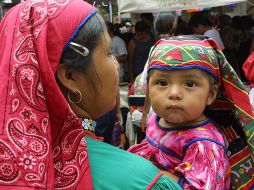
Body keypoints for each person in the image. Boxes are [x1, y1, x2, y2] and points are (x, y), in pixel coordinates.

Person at [0, 0, 183, 189]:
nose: (116, 64)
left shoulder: (14, 160)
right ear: (70, 77)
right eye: (108, 52)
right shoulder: (141, 180)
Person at [129, 36, 254, 189]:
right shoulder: (156, 119)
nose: (174, 93)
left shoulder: (204, 145)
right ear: (148, 88)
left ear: (211, 94)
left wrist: (146, 172)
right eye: (162, 83)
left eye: (190, 84)